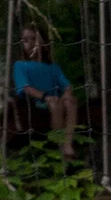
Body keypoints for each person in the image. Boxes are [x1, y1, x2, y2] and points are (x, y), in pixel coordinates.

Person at [12, 25, 77, 159]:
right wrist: (44, 96)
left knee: (70, 102)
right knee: (55, 104)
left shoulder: (53, 67)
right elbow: (25, 87)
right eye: (25, 40)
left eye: (34, 39)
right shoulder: (20, 65)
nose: (30, 43)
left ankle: (68, 143)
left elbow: (66, 84)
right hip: (35, 103)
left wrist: (66, 93)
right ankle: (59, 143)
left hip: (56, 98)